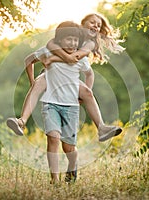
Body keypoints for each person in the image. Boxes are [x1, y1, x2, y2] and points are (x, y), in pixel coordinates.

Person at [7, 13, 124, 142]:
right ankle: (21, 121)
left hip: (68, 79)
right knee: (37, 86)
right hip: (51, 74)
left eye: (99, 25)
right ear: (82, 24)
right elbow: (50, 45)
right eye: (92, 23)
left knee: (87, 92)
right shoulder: (68, 34)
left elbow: (74, 58)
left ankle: (101, 128)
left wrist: (53, 57)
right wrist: (32, 82)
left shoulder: (89, 43)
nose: (96, 26)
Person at [27, 21, 92, 183]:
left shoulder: (79, 58)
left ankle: (72, 166)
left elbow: (89, 74)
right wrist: (33, 82)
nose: (73, 43)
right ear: (59, 40)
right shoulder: (49, 51)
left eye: (76, 40)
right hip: (50, 104)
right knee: (53, 138)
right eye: (69, 39)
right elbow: (28, 60)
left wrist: (83, 95)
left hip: (71, 106)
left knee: (69, 147)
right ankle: (54, 179)